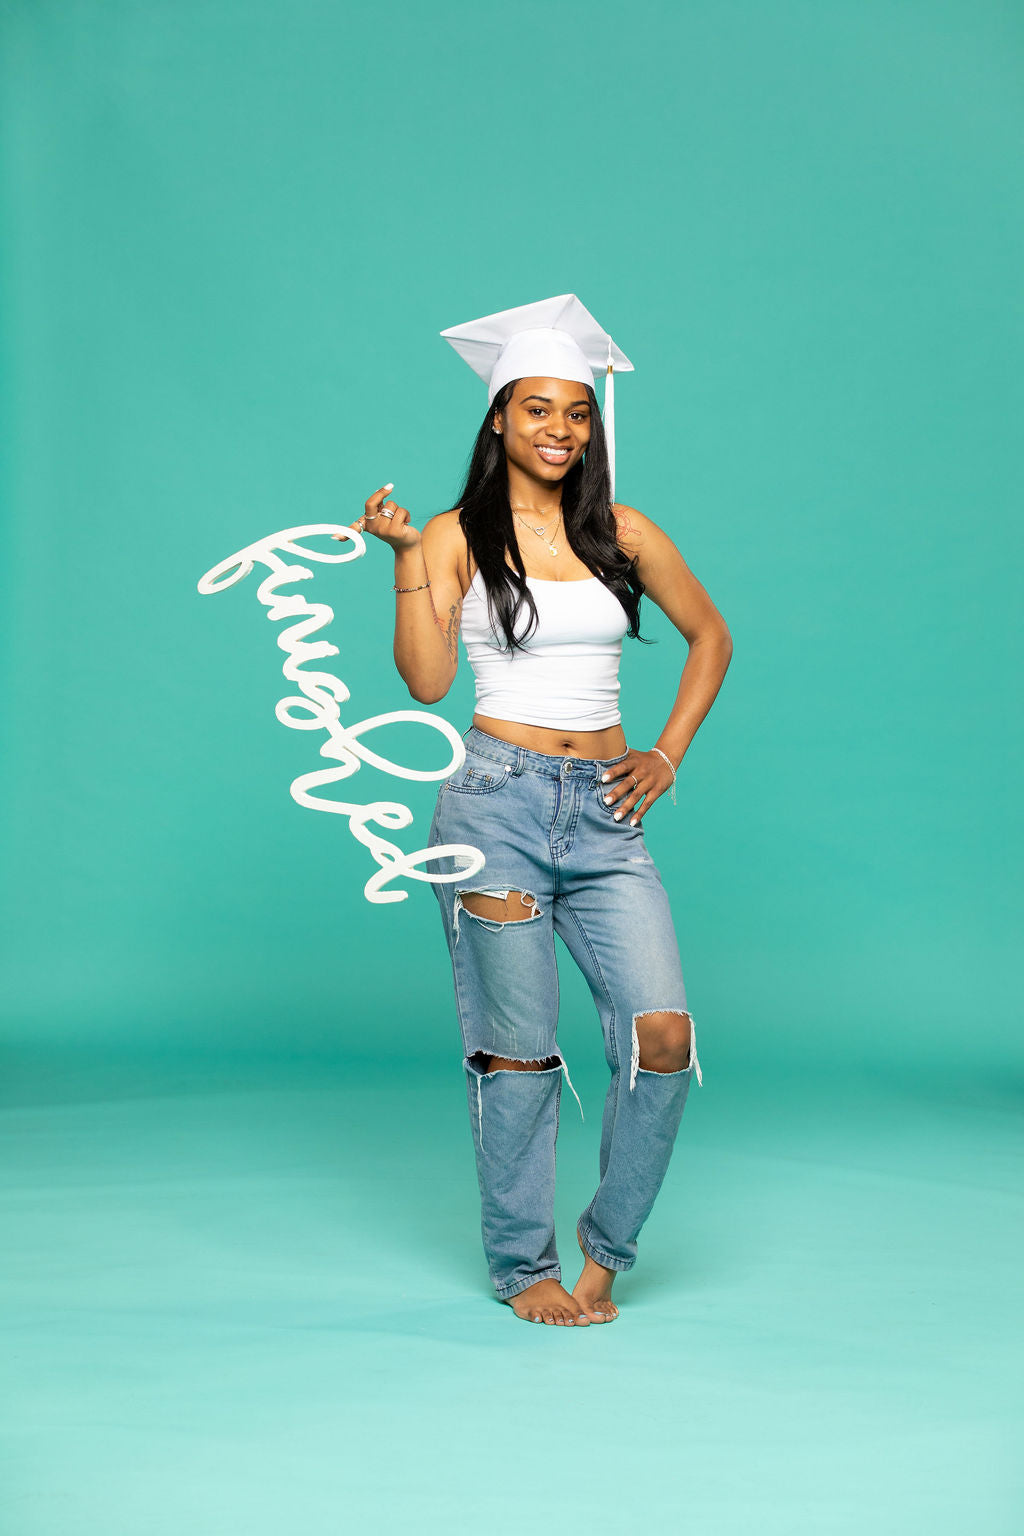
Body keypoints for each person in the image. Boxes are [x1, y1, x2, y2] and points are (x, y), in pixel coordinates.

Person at [343, 296, 732, 1326]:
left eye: (576, 413)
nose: (559, 429)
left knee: (660, 1037)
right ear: (499, 423)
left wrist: (664, 752)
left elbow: (711, 638)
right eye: (536, 411)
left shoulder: (624, 532)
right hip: (494, 810)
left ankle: (606, 1252)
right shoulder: (455, 535)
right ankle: (525, 1266)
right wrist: (402, 563)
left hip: (606, 818)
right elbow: (427, 684)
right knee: (518, 1052)